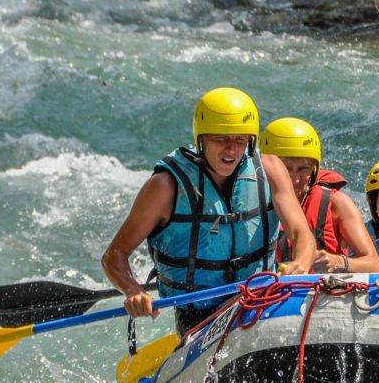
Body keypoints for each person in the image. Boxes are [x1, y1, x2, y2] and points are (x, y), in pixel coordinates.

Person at [102, 87, 315, 336]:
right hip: (199, 317)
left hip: (261, 300)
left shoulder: (271, 169)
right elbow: (114, 255)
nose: (231, 149)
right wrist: (133, 290)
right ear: (201, 139)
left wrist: (301, 263)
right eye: (221, 139)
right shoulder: (165, 187)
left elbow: (302, 234)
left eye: (240, 140)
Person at [260, 117, 379, 274]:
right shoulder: (252, 202)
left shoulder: (337, 203)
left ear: (314, 169)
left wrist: (339, 262)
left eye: (303, 169)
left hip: (326, 288)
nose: (295, 179)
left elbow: (375, 266)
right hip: (271, 287)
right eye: (286, 169)